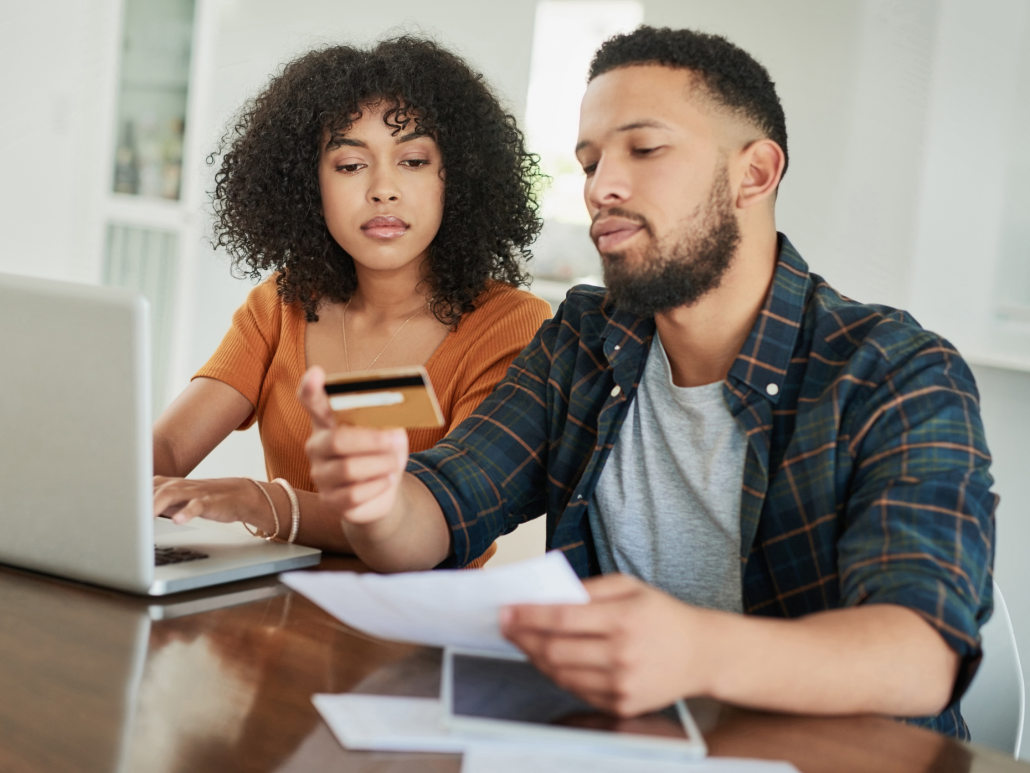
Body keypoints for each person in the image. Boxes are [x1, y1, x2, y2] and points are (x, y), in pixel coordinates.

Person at [297, 27, 996, 737]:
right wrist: (379, 501)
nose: (602, 187)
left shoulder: (895, 370)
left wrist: (696, 650)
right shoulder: (585, 340)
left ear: (753, 174)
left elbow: (921, 654)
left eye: (644, 149)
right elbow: (440, 512)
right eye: (591, 161)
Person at [151, 38, 552, 563]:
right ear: (305, 184)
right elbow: (172, 449)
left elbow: (441, 517)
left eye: (412, 160)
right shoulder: (281, 304)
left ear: (455, 178)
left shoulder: (512, 323)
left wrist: (262, 502)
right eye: (349, 165)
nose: (383, 189)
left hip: (420, 625)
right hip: (271, 614)